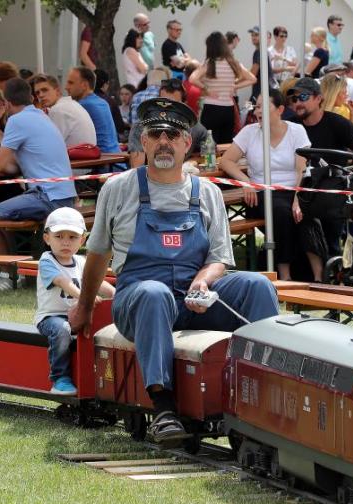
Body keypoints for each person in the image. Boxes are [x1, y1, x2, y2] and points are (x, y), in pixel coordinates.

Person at [67, 97, 279, 444]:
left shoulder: (207, 192)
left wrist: (202, 281)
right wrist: (85, 306)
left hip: (194, 299)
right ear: (144, 141)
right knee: (154, 293)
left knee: (257, 286)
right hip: (139, 300)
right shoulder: (118, 188)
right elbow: (98, 254)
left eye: (172, 134)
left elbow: (219, 258)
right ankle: (164, 408)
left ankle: (266, 396)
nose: (164, 141)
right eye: (156, 134)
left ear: (187, 143)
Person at [221, 89, 320, 281]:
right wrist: (246, 182)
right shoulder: (249, 132)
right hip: (261, 193)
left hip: (294, 189)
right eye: (256, 107)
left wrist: (298, 199)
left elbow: (301, 169)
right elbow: (226, 161)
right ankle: (285, 274)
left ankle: (319, 276)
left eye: (263, 107)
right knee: (281, 212)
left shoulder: (296, 131)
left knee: (306, 212)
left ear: (280, 109)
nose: (258, 111)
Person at [0, 78, 77, 262]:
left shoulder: (16, 120)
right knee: (1, 218)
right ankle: (15, 268)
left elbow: (2, 165)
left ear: (7, 103)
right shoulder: (42, 116)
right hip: (66, 195)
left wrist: (12, 165)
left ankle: (8, 272)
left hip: (47, 196)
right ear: (31, 98)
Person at [287, 77, 353, 256]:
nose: (298, 103)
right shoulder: (292, 125)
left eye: (303, 97)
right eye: (294, 99)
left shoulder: (335, 122)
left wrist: (347, 169)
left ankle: (333, 265)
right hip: (297, 188)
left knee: (330, 240)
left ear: (318, 98)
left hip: (331, 190)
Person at [35, 207, 115, 395]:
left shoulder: (81, 261)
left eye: (72, 237)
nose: (65, 242)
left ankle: (97, 375)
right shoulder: (47, 261)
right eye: (59, 236)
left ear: (83, 240)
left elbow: (98, 282)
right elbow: (63, 282)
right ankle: (59, 378)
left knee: (102, 328)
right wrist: (85, 297)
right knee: (62, 330)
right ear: (47, 238)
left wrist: (116, 294)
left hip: (79, 314)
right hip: (52, 317)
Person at [189, 31, 254, 144]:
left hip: (211, 108)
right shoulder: (233, 63)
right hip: (228, 108)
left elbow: (192, 79)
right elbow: (252, 79)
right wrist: (235, 86)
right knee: (225, 143)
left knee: (209, 143)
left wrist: (206, 88)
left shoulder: (209, 63)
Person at [128, 78, 208, 167]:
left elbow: (210, 152)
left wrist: (191, 162)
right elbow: (137, 167)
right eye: (155, 134)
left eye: (173, 105)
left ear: (184, 104)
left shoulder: (194, 127)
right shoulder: (141, 126)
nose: (166, 109)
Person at [29, 74, 97, 148]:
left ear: (57, 91)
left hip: (76, 154)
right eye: (37, 93)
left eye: (45, 90)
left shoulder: (58, 110)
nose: (41, 95)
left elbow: (50, 144)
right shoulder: (71, 104)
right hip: (87, 152)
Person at [66, 67, 122, 154]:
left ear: (84, 85)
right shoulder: (102, 102)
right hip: (116, 156)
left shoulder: (82, 105)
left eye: (71, 83)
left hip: (101, 159)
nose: (66, 87)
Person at [248, 26, 274, 100]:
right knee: (248, 106)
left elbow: (252, 74)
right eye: (252, 35)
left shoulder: (259, 51)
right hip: (264, 91)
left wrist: (236, 81)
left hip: (260, 93)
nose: (253, 37)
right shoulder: (264, 50)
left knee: (248, 106)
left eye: (256, 35)